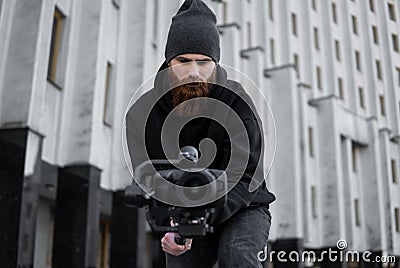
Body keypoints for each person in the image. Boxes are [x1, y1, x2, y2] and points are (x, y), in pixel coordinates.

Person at [125, 0, 275, 267]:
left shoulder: (238, 104)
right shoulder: (141, 114)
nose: (193, 72)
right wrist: (171, 224)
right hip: (180, 211)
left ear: (215, 63)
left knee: (237, 256)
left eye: (203, 62)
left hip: (242, 206)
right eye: (183, 61)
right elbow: (148, 178)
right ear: (169, 61)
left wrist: (206, 214)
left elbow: (247, 178)